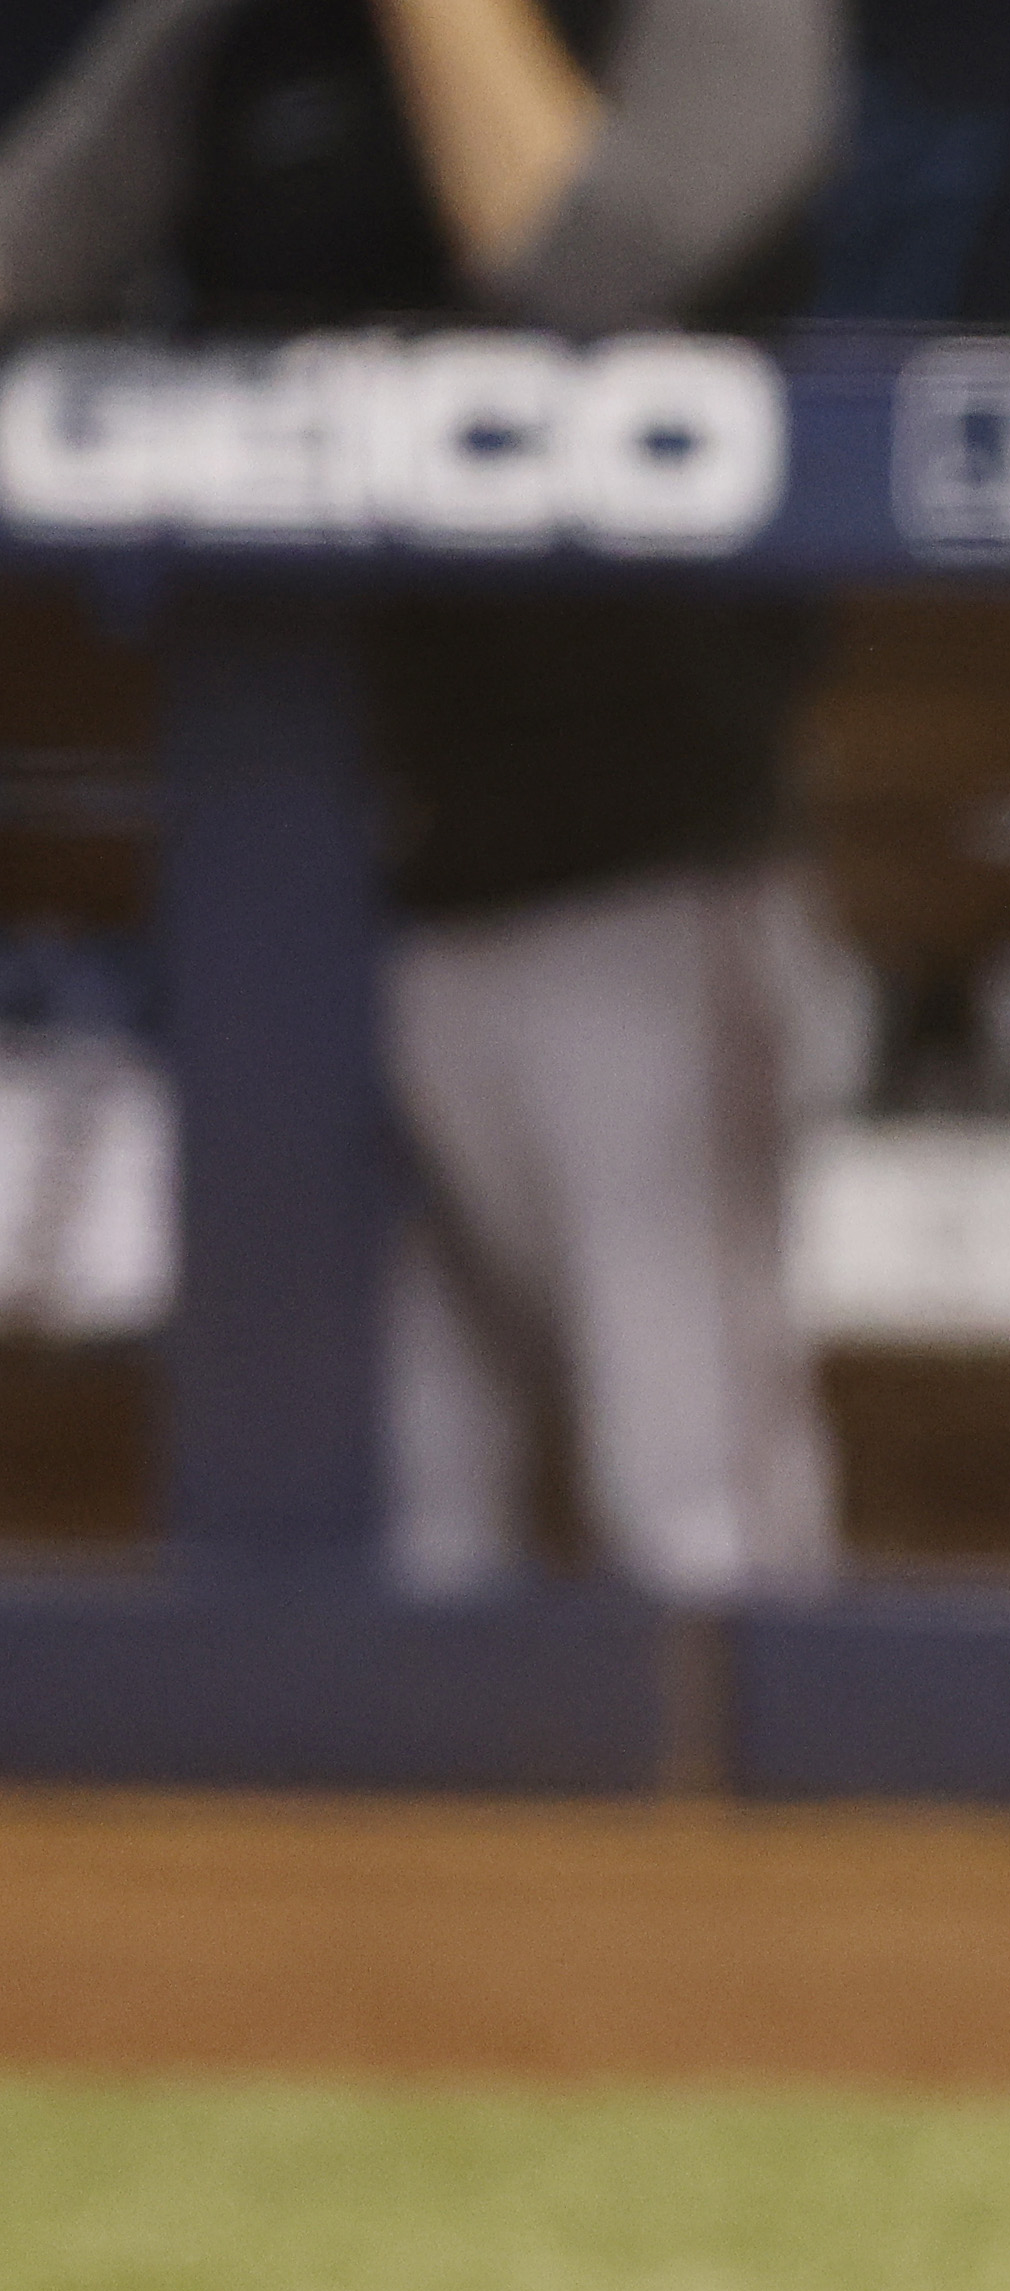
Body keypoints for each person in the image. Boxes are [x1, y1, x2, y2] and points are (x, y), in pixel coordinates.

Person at [0, 0, 848, 1600]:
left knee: (698, 1519)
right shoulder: (231, 28)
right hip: (303, 886)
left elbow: (590, 272)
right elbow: (28, 248)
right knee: (376, 1549)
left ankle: (771, 1863)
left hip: (632, 863)